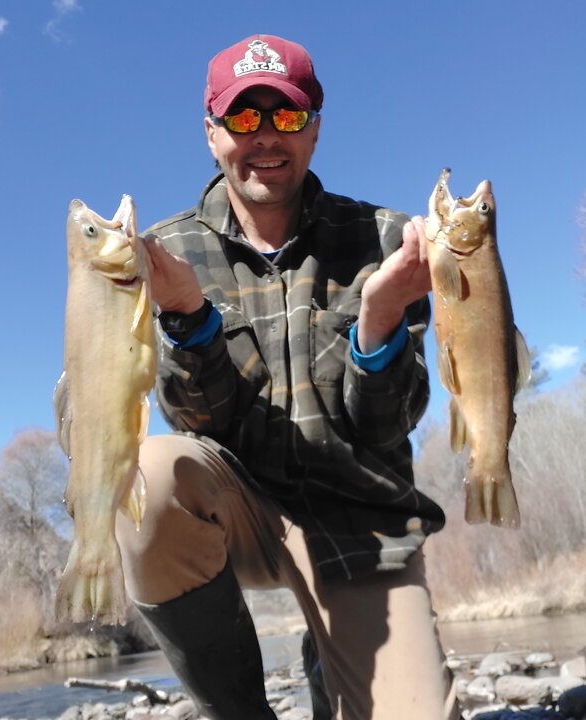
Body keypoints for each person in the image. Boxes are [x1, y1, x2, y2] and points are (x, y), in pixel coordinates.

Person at [116, 34, 459, 720]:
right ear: (212, 133)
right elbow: (195, 421)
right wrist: (187, 316)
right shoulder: (164, 251)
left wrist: (382, 317)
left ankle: (330, 651)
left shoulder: (391, 241)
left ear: (316, 129)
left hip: (363, 528)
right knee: (146, 479)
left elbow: (389, 423)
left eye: (288, 116)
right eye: (244, 118)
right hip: (237, 510)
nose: (266, 137)